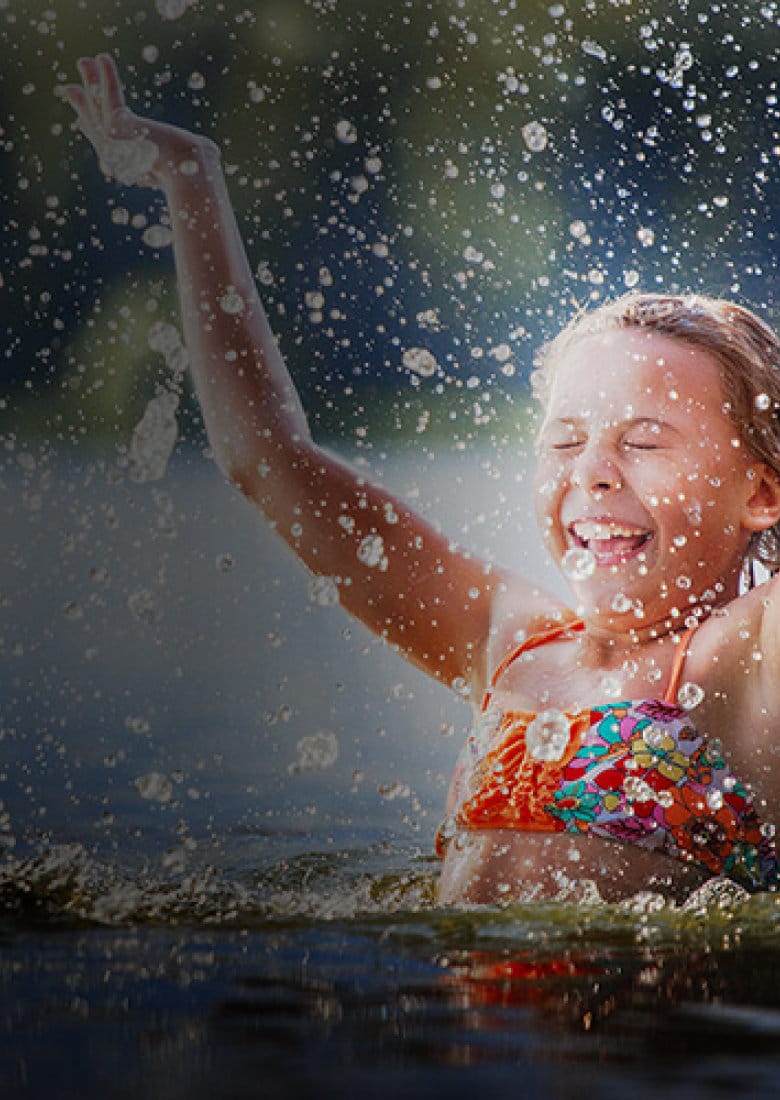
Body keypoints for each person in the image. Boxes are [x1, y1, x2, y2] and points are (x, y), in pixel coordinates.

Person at [63, 54, 780, 906]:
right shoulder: (508, 643)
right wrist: (192, 181)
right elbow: (268, 461)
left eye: (646, 442)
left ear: (762, 493)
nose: (591, 473)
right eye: (564, 441)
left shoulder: (748, 659)